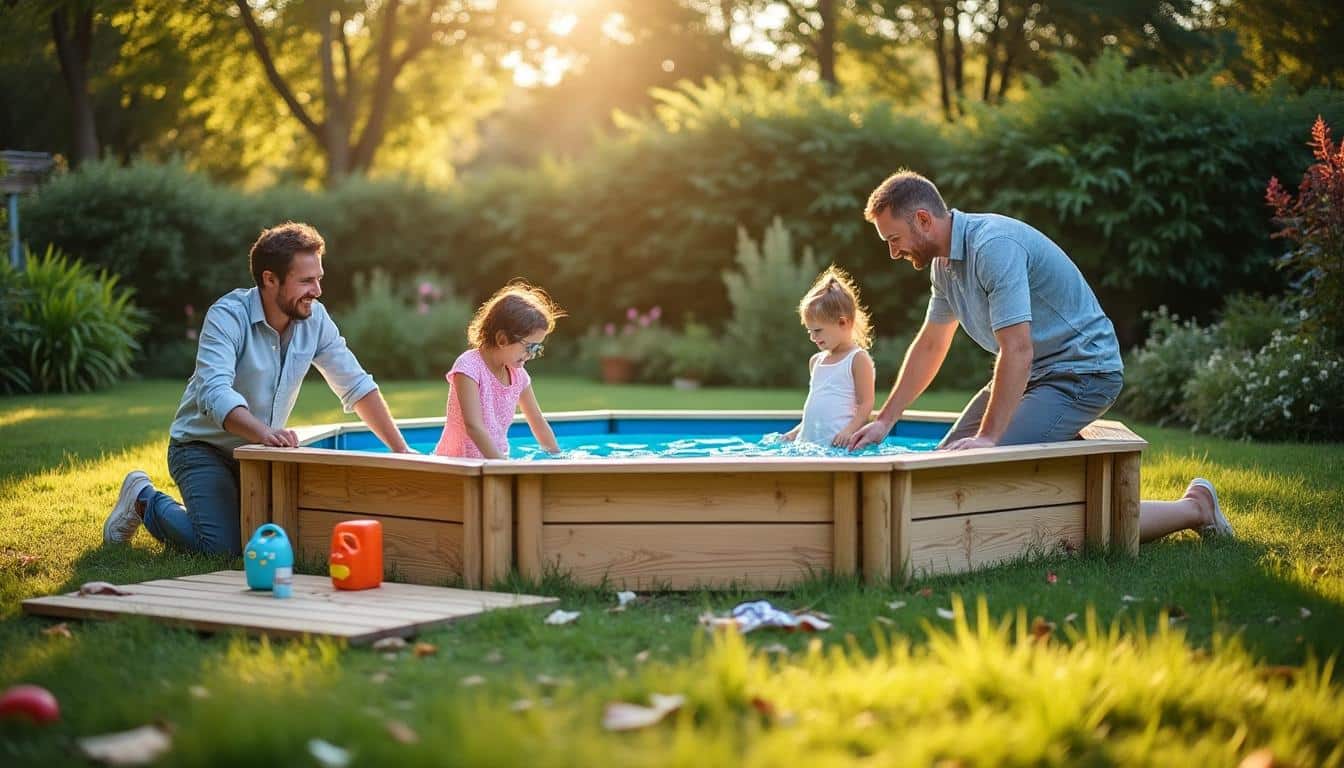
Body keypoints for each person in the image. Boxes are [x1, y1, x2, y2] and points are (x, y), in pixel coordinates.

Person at [846, 170, 1234, 542]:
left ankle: (1195, 509)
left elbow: (1018, 348)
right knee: (940, 467)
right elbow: (931, 344)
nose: (894, 252)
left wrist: (989, 438)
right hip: (1036, 374)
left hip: (1082, 372)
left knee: (982, 473)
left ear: (923, 219)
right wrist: (886, 421)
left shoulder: (992, 246)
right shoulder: (943, 267)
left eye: (893, 239)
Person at [103, 222, 413, 556]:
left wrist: (401, 450)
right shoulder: (227, 317)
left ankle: (208, 509)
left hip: (260, 453)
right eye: (307, 281)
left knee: (280, 537)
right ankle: (142, 498)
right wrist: (263, 432)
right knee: (222, 548)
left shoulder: (316, 320)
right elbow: (214, 393)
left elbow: (355, 384)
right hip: (202, 449)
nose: (318, 290)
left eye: (319, 278)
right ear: (270, 279)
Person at [433, 282, 564, 459]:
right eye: (530, 347)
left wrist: (557, 456)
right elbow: (474, 426)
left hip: (496, 459)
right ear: (502, 339)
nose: (532, 355)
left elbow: (537, 421)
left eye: (537, 349)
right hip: (460, 464)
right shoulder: (468, 367)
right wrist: (502, 466)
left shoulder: (519, 376)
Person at [779, 267, 876, 447]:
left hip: (837, 444)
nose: (813, 337)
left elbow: (866, 405)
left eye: (817, 331)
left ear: (842, 322)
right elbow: (815, 410)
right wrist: (795, 433)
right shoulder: (816, 361)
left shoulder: (857, 359)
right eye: (809, 331)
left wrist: (848, 431)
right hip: (809, 444)